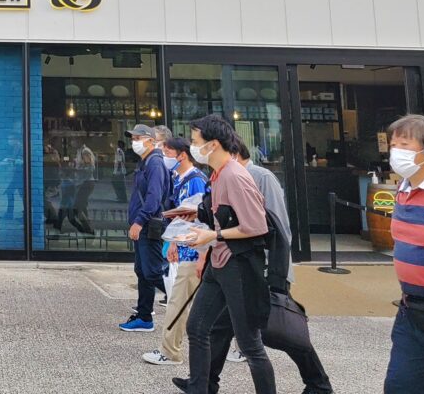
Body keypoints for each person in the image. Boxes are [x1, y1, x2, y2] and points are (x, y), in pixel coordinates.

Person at [176, 143, 333, 394]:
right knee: (220, 327)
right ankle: (205, 382)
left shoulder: (260, 177)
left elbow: (278, 227)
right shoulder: (222, 177)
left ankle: (319, 383)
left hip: (263, 268)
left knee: (282, 329)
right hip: (234, 266)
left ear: (233, 153)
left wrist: (272, 271)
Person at [179, 115, 276, 394]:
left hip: (239, 266)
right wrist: (198, 215)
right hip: (219, 262)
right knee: (197, 327)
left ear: (212, 144)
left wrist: (214, 236)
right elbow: (224, 215)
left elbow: (256, 226)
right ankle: (199, 388)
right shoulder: (218, 174)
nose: (192, 147)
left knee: (249, 344)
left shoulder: (234, 176)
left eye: (195, 141)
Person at [382, 114, 424, 394]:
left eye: (405, 145)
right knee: (401, 388)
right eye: (393, 145)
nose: (396, 152)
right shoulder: (404, 188)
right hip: (413, 314)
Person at [143, 134, 208, 366]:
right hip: (185, 249)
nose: (165, 157)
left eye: (168, 152)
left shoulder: (195, 181)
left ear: (182, 155)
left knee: (178, 303)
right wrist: (172, 243)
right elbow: (181, 218)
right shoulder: (178, 179)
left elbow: (201, 220)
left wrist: (199, 252)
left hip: (194, 251)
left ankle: (170, 351)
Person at [120, 124, 171, 332]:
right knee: (142, 271)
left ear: (151, 140)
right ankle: (144, 316)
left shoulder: (155, 163)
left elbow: (153, 197)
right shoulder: (146, 162)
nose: (135, 142)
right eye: (133, 139)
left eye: (138, 138)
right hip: (142, 225)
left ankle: (183, 299)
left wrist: (139, 221)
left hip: (148, 225)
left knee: (152, 272)